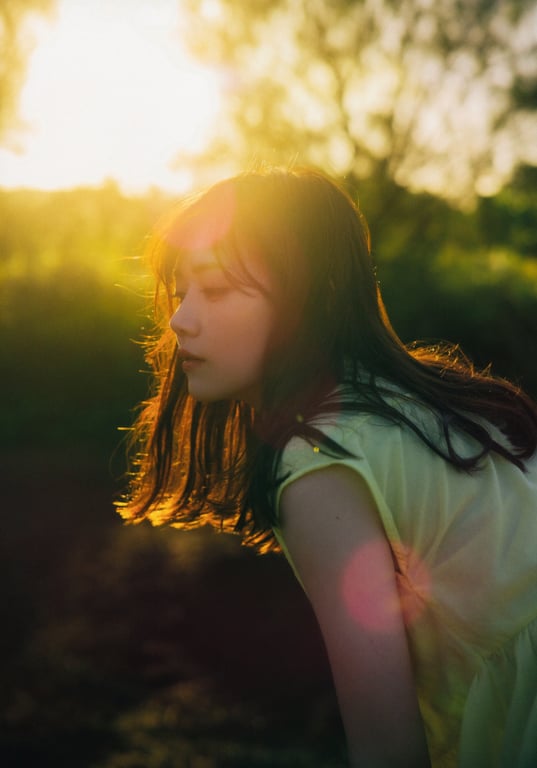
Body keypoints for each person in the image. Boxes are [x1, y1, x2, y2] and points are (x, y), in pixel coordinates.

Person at [117, 166, 537, 767]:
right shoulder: (424, 401)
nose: (180, 318)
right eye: (180, 291)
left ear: (304, 303)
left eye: (215, 290)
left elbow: (387, 746)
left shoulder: (320, 463)